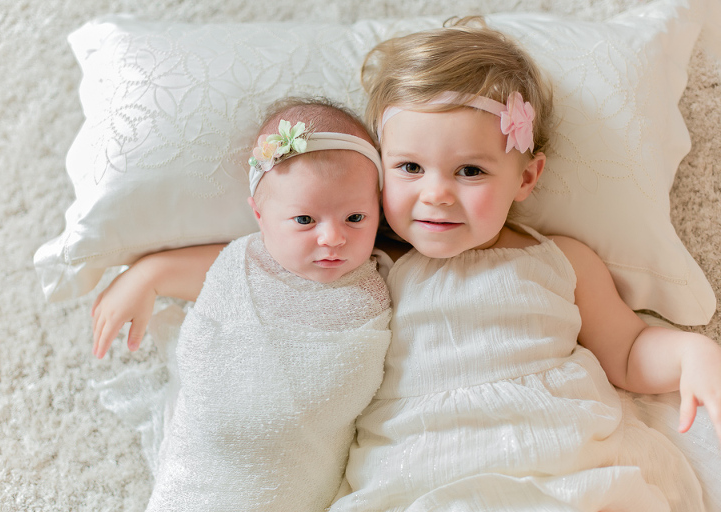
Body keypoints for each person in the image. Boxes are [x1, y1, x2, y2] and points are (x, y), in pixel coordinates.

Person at [326, 17, 721, 511]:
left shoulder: (560, 259)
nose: (437, 194)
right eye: (410, 167)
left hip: (561, 454)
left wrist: (692, 354)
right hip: (423, 466)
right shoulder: (368, 263)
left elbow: (628, 349)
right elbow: (259, 264)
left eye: (470, 170)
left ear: (526, 177)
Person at [92, 97, 393, 511]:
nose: (332, 238)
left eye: (355, 218)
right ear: (260, 215)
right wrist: (142, 276)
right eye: (305, 220)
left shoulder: (380, 282)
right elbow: (173, 271)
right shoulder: (242, 260)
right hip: (208, 472)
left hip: (295, 476)